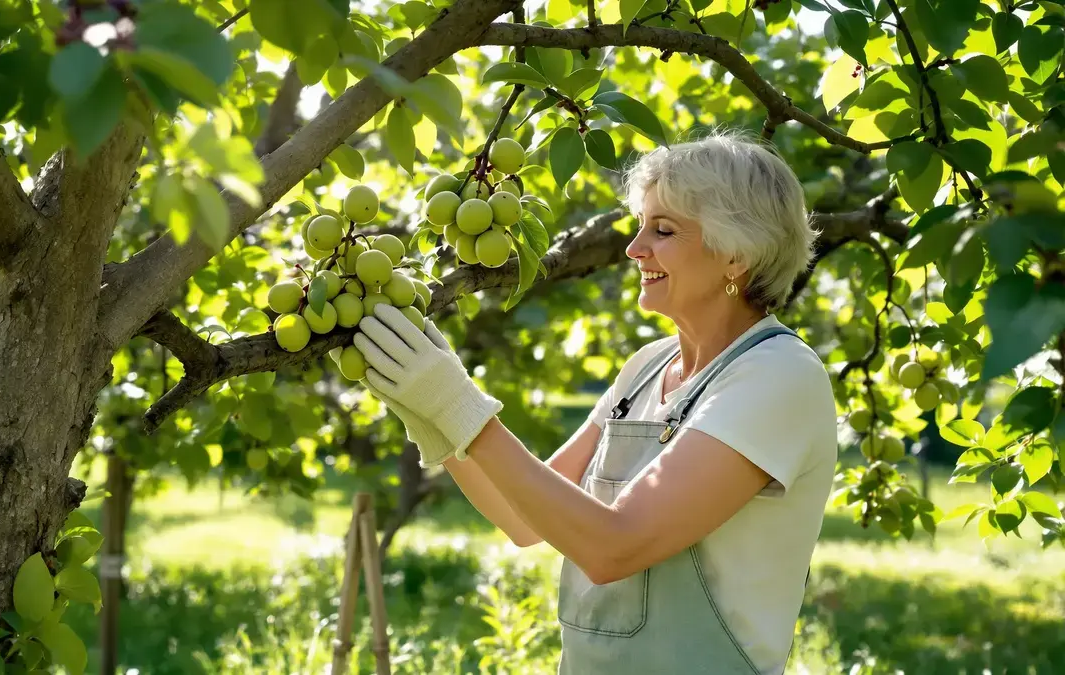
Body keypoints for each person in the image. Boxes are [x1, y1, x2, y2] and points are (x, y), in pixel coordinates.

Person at [351, 129, 839, 675]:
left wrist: (456, 400)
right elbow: (523, 519)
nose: (635, 249)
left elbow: (615, 547)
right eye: (640, 226)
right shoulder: (645, 367)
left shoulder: (777, 376)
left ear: (736, 254)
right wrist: (431, 416)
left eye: (664, 230)